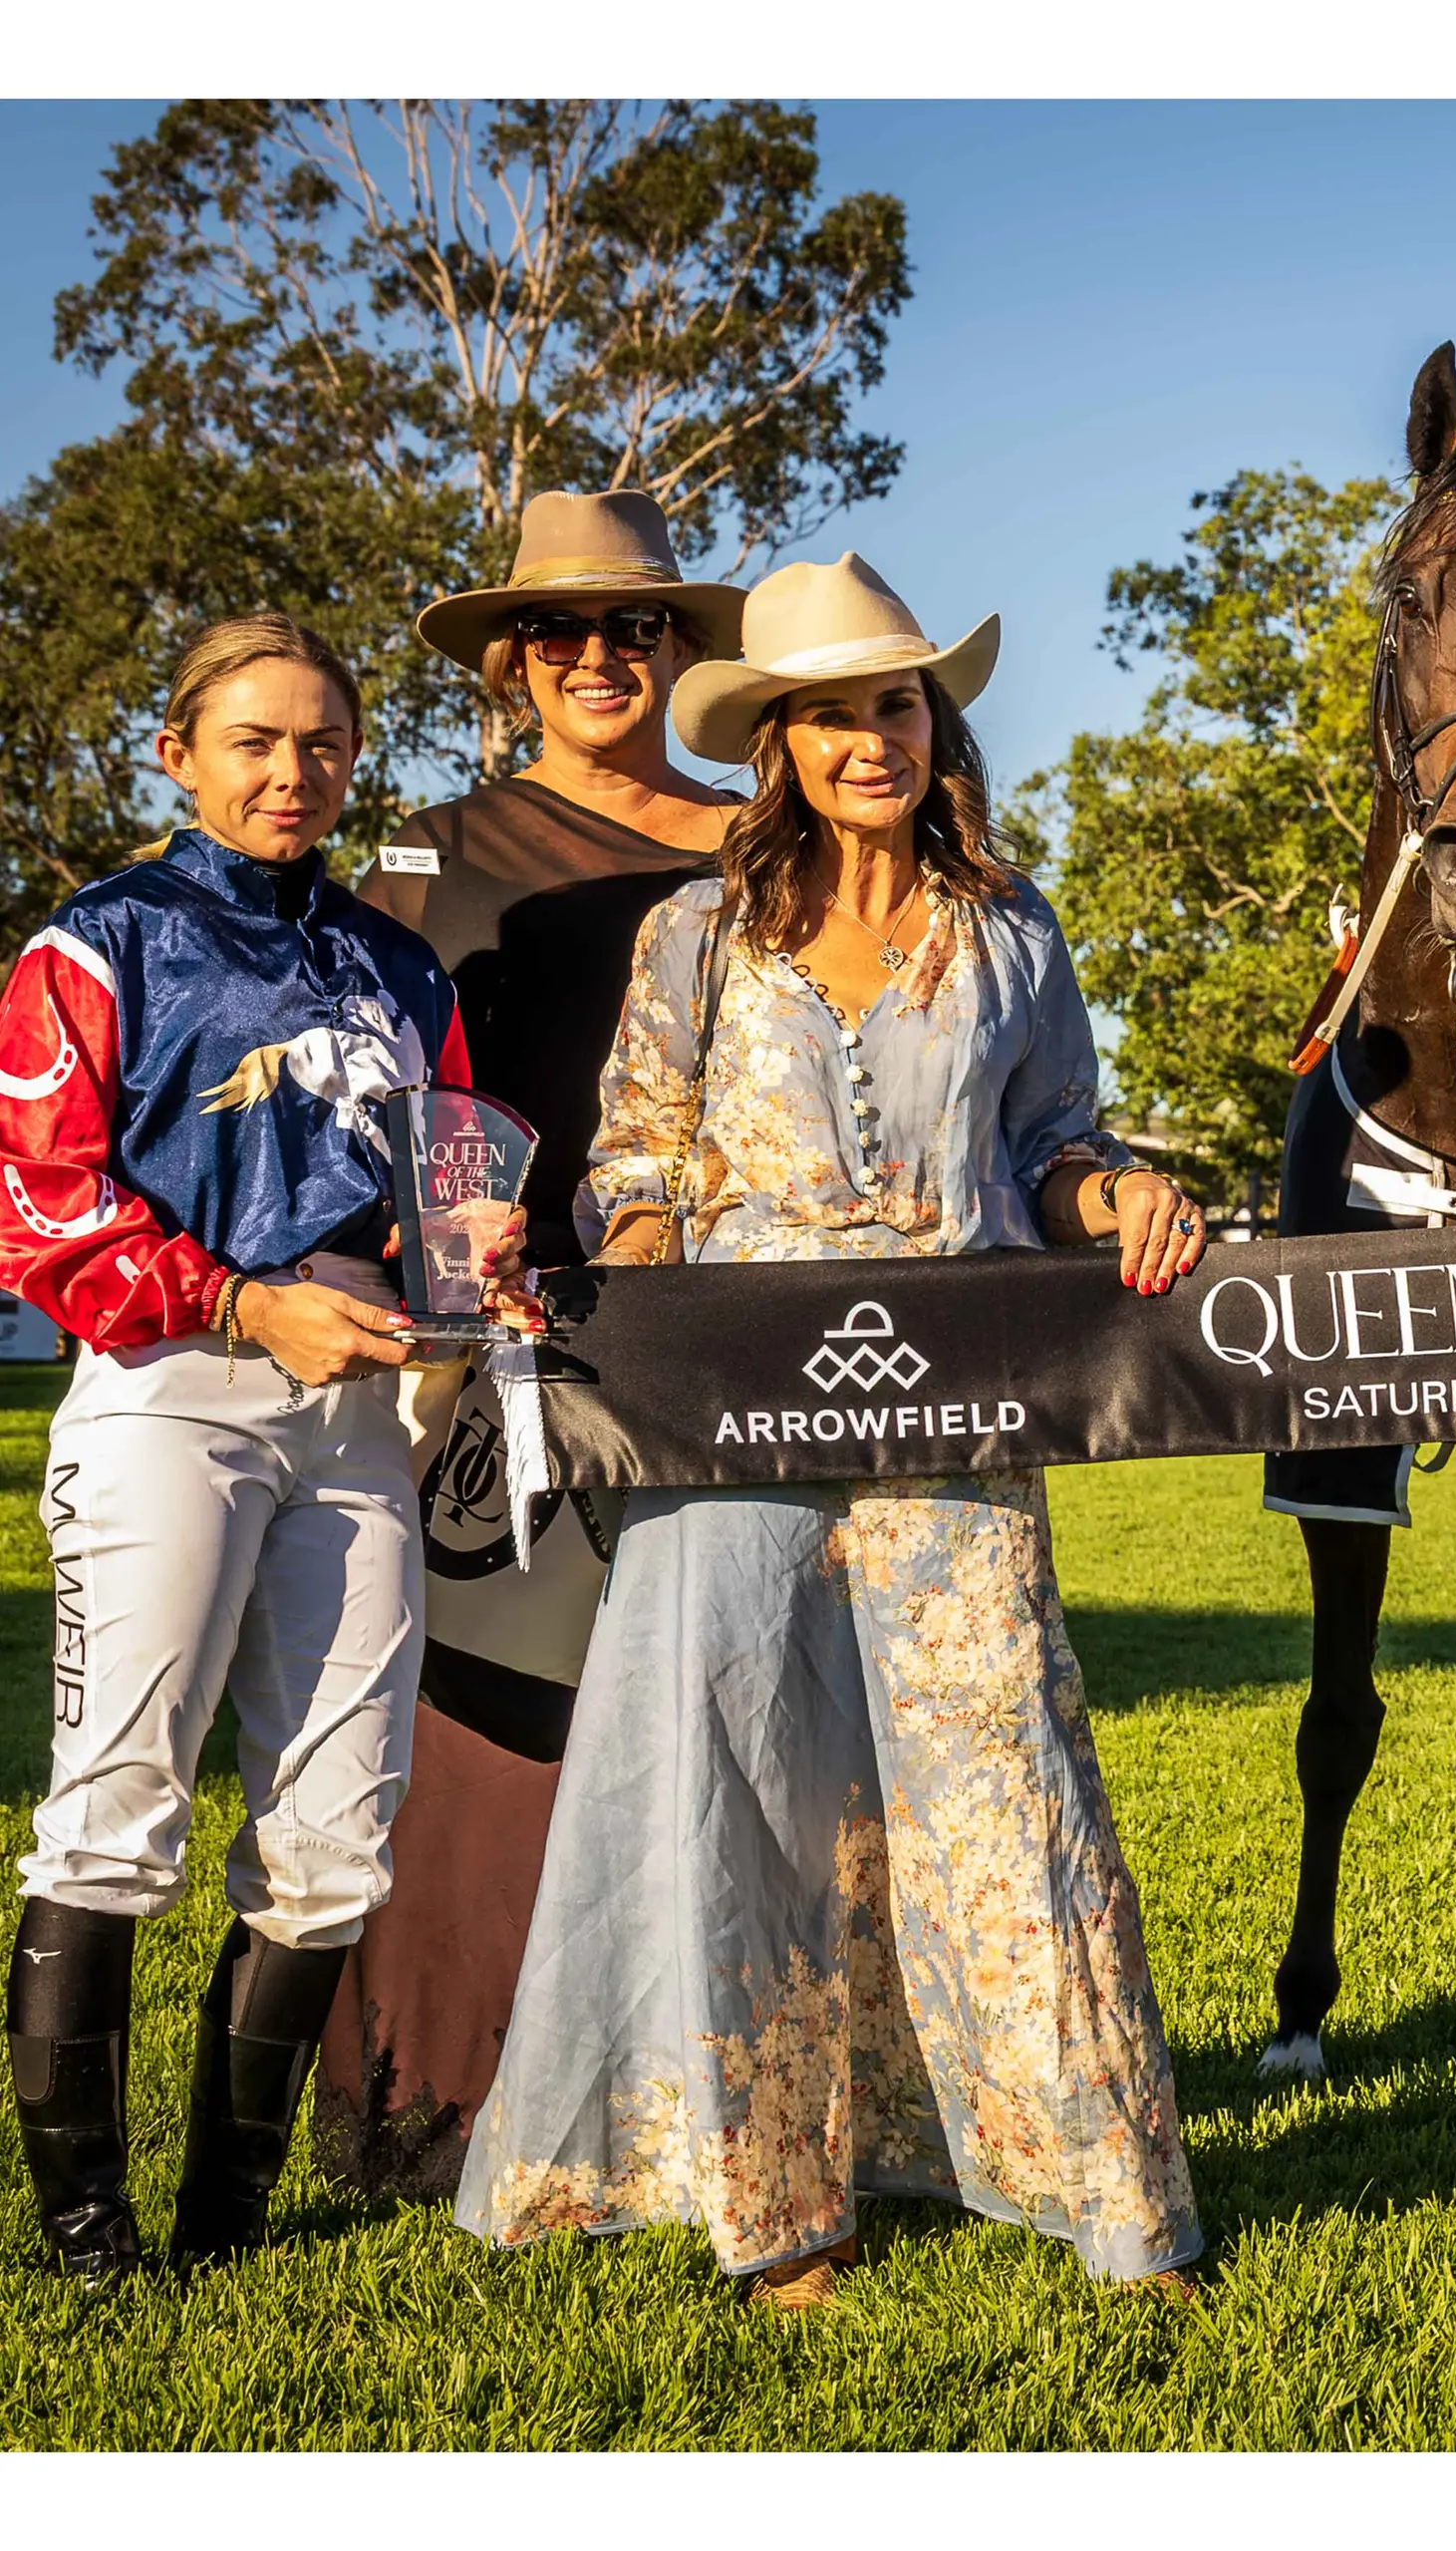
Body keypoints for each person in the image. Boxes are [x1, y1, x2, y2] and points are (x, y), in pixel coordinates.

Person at [454, 555, 1211, 2305]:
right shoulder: (696, 936)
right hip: (735, 1419)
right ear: (777, 743)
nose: (871, 738)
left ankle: (1108, 2195)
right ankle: (780, 2202)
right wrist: (642, 1270)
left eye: (895, 703)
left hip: (959, 1412)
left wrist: (1121, 1195)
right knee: (742, 1783)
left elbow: (1053, 1146)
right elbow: (633, 1161)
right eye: (830, 714)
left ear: (934, 723)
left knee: (1006, 1783)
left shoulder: (1012, 931)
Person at [1, 615, 525, 2280]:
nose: (292, 772)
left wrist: (474, 1253)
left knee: (338, 1834)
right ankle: (90, 2236)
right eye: (254, 740)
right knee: (116, 1810)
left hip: (359, 1407)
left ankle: (223, 2226)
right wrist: (239, 1299)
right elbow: (40, 1207)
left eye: (322, 743)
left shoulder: (400, 968)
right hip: (170, 1391)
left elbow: (445, 1185)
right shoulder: (97, 945)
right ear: (179, 754)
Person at [320, 489, 744, 2199]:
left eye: (631, 625)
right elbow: (363, 1098)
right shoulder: (428, 853)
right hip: (497, 1349)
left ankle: (728, 2096)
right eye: (555, 630)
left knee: (727, 1711)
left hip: (726, 1342)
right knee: (493, 1716)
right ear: (512, 662)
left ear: (676, 646)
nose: (594, 655)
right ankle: (438, 2105)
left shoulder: (759, 842)